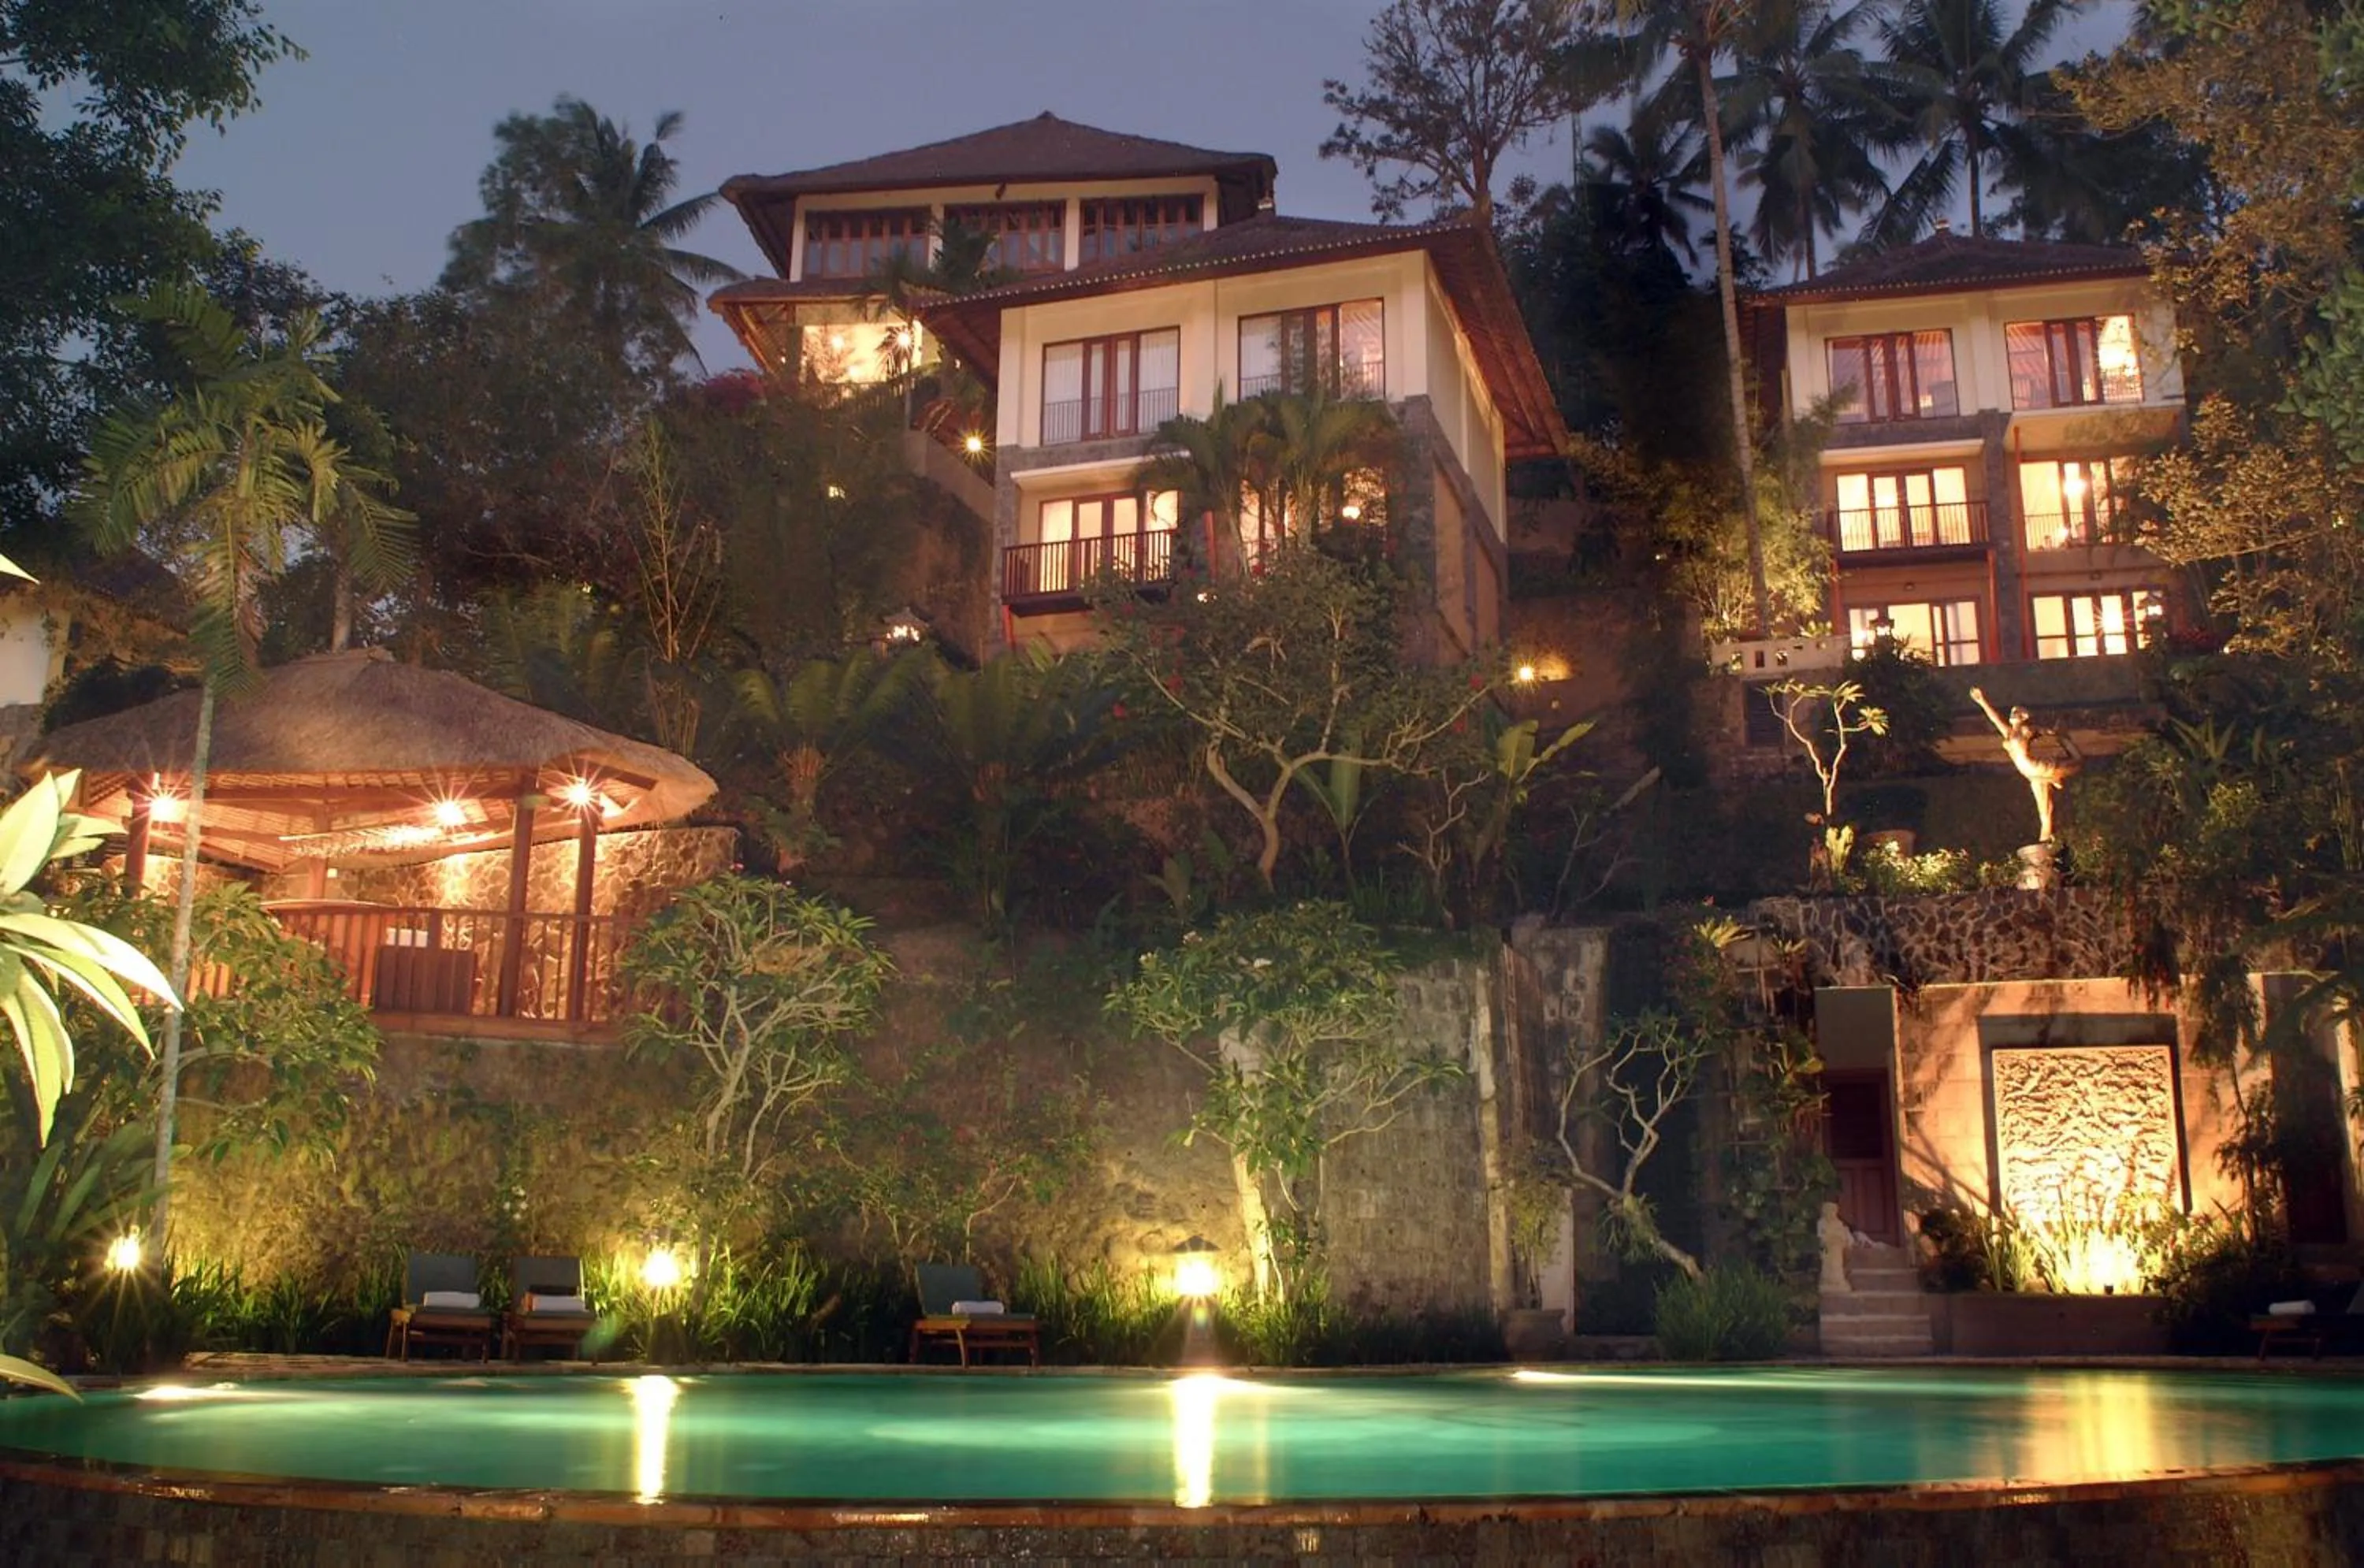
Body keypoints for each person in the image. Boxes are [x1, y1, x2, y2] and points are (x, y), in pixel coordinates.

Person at [1969, 688, 2083, 842]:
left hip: (2035, 767)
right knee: (2044, 807)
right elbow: (1995, 719)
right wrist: (1982, 701)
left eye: (2016, 711)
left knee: (2077, 762)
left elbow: (2044, 730)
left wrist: (2055, 732)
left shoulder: (2026, 729)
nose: (2012, 713)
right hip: (2030, 773)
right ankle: (2045, 837)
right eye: (2012, 711)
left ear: (2024, 716)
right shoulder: (2009, 733)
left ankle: (2056, 772)